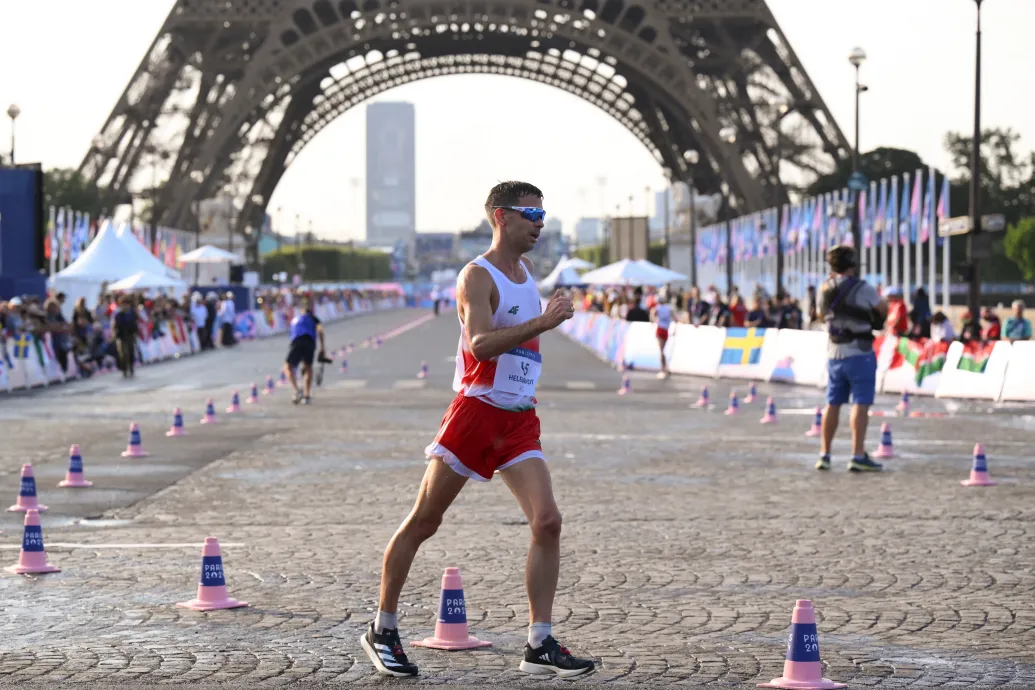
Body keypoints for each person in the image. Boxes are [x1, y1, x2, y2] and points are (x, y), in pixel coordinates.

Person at [361, 181, 595, 679]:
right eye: (530, 213)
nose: (539, 223)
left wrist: (539, 324)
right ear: (500, 216)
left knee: (548, 522)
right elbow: (483, 344)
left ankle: (539, 641)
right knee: (425, 521)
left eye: (543, 214)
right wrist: (545, 321)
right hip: (476, 412)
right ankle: (382, 627)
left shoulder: (526, 271)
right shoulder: (476, 276)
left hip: (518, 418)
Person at [815, 245, 888, 472]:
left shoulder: (824, 287)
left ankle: (825, 454)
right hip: (860, 352)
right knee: (860, 404)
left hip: (834, 353)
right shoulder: (862, 288)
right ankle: (857, 454)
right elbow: (883, 309)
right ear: (853, 265)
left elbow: (820, 314)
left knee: (833, 403)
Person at [284, 298, 325, 404]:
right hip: (309, 343)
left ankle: (297, 391)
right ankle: (307, 396)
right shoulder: (314, 318)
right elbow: (320, 331)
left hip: (297, 342)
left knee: (288, 367)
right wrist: (322, 347)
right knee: (308, 367)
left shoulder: (297, 318)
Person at [113, 296, 139, 378]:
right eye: (124, 304)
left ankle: (131, 367)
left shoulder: (132, 313)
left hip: (130, 335)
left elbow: (136, 323)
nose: (125, 306)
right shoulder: (118, 315)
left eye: (127, 304)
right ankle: (124, 369)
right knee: (123, 354)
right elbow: (115, 326)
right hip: (122, 336)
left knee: (131, 352)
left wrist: (136, 332)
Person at [651, 297, 674, 378]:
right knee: (662, 350)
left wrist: (655, 320)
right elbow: (674, 316)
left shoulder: (658, 308)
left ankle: (663, 368)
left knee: (661, 351)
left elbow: (652, 315)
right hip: (665, 329)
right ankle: (664, 368)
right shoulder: (668, 308)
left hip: (660, 329)